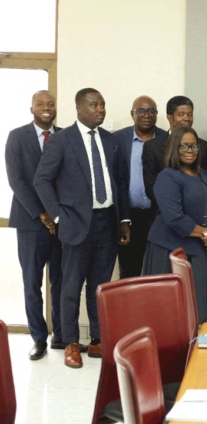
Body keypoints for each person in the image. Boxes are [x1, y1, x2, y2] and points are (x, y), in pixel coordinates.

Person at [34, 88, 131, 368]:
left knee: (100, 286)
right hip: (75, 224)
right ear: (79, 108)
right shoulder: (62, 140)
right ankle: (71, 343)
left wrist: (124, 220)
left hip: (107, 222)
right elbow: (42, 180)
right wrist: (58, 216)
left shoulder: (111, 141)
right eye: (94, 105)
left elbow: (120, 182)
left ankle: (98, 340)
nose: (100, 109)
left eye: (102, 105)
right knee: (71, 286)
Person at [5, 90, 73, 360]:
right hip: (30, 222)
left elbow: (70, 178)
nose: (47, 108)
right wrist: (43, 214)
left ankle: (60, 335)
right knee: (32, 283)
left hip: (61, 223)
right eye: (41, 104)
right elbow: (16, 180)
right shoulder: (17, 136)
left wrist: (58, 215)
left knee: (61, 281)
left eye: (51, 104)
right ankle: (38, 338)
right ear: (31, 108)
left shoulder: (65, 136)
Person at [143, 127, 207, 322]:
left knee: (198, 305)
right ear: (174, 149)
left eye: (194, 146)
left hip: (198, 246)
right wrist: (206, 234)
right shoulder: (167, 176)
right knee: (171, 311)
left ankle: (196, 341)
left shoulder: (203, 175)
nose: (190, 150)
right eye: (184, 146)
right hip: (170, 251)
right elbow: (174, 217)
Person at [112, 95, 167, 278]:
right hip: (129, 216)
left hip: (158, 215)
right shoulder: (118, 139)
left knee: (158, 270)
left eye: (152, 111)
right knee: (129, 272)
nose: (146, 115)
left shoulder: (167, 139)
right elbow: (115, 179)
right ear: (132, 114)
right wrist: (122, 218)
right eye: (141, 111)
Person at [142, 96, 207, 212]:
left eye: (190, 114)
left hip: (198, 212)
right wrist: (174, 206)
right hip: (165, 213)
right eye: (181, 114)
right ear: (169, 117)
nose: (187, 118)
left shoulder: (203, 145)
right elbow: (151, 186)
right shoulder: (153, 146)